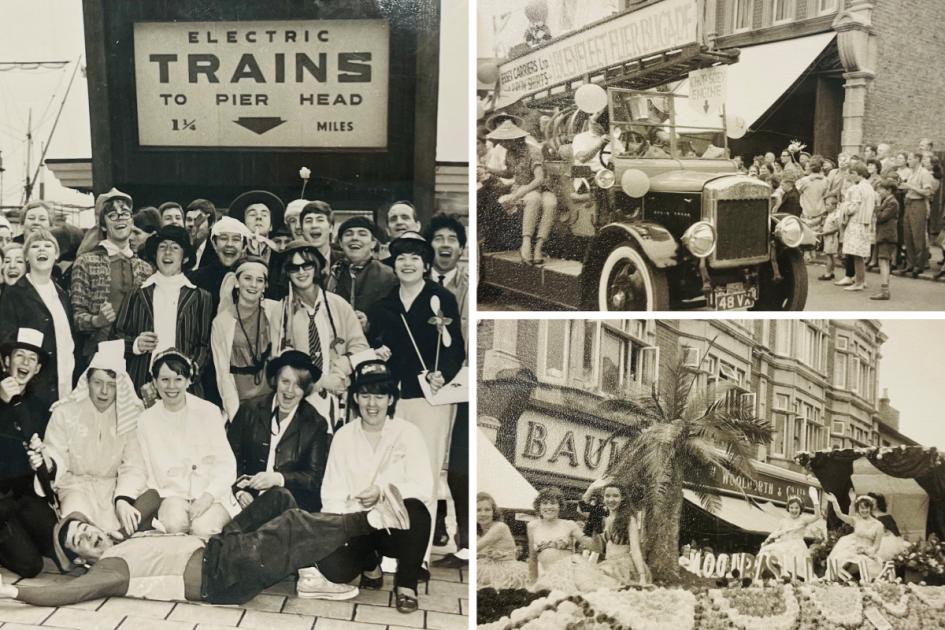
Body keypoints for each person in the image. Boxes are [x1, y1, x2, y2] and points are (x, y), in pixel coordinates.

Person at [0, 483, 411, 607]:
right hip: (218, 577)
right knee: (291, 524)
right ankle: (371, 520)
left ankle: (307, 574)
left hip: (219, 547)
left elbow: (151, 494)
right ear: (81, 559)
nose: (87, 536)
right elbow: (67, 592)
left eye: (84, 529)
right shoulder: (109, 568)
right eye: (79, 543)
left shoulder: (129, 538)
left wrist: (125, 505)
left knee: (278, 499)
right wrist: (10, 590)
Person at [367, 232, 464, 562]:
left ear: (425, 265)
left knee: (426, 471)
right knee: (389, 469)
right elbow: (375, 345)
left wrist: (444, 374)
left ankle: (417, 555)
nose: (407, 264)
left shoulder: (442, 299)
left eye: (414, 258)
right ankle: (389, 550)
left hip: (431, 399)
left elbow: (456, 350)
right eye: (400, 258)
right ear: (394, 265)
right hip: (394, 398)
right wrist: (378, 353)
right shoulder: (384, 305)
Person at [316, 361, 433, 611]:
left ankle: (406, 586)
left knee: (418, 511)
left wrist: (381, 491)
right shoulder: (343, 436)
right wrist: (339, 533)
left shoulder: (408, 433)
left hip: (393, 526)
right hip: (357, 525)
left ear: (391, 399)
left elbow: (423, 486)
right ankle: (370, 565)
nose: (372, 404)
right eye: (365, 395)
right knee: (333, 570)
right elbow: (331, 494)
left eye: (380, 396)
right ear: (355, 397)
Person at [27, 340, 147, 535]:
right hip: (75, 486)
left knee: (120, 535)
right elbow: (55, 451)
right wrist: (48, 463)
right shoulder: (65, 412)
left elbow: (134, 464)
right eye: (98, 382)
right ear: (87, 382)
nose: (104, 391)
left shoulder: (130, 417)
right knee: (80, 533)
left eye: (111, 384)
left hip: (112, 491)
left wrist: (123, 499)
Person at [136, 349, 237, 536]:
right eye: (165, 380)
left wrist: (208, 496)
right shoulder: (146, 420)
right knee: (174, 525)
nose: (171, 386)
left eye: (178, 379)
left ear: (189, 380)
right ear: (155, 381)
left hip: (212, 495)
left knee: (202, 529)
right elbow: (147, 470)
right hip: (172, 496)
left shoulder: (208, 412)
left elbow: (226, 464)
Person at [279, 240, 369, 426]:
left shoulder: (338, 305)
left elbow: (361, 347)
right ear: (287, 272)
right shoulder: (282, 311)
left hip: (338, 395)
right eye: (294, 268)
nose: (301, 272)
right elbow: (281, 356)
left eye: (307, 265)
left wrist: (343, 367)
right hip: (301, 397)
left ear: (316, 267)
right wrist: (320, 382)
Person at [226, 350, 329, 513]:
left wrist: (278, 479)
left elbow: (313, 479)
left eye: (298, 385)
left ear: (306, 389)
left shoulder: (316, 424)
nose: (290, 390)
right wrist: (239, 491)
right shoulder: (249, 410)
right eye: (285, 381)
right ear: (275, 380)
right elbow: (228, 457)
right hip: (245, 501)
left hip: (290, 508)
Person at [115, 225, 213, 396]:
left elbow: (204, 345)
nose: (167, 252)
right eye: (162, 247)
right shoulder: (136, 293)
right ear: (155, 254)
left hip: (184, 387)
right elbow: (117, 336)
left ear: (184, 258)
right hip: (142, 384)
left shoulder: (201, 297)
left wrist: (192, 368)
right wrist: (136, 344)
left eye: (175, 248)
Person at [424, 214, 469, 566]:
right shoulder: (415, 285)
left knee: (459, 468)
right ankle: (427, 533)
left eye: (451, 239)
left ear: (460, 247)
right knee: (426, 462)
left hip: (462, 386)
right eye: (437, 238)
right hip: (425, 387)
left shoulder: (470, 285)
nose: (444, 245)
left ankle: (465, 544)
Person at [70, 189, 154, 369]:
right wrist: (96, 321)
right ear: (102, 225)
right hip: (100, 353)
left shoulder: (146, 268)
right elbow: (76, 318)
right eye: (112, 215)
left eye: (124, 214)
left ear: (131, 221)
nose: (120, 219)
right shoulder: (85, 262)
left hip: (138, 355)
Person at [0, 328, 58, 577]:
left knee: (54, 544)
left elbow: (43, 450)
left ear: (37, 369)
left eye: (32, 359)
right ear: (5, 362)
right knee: (30, 566)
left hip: (23, 494)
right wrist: (3, 403)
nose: (25, 362)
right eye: (19, 355)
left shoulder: (39, 406)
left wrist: (44, 461)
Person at [0, 228, 75, 409]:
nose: (42, 249)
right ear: (26, 257)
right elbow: (5, 343)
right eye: (35, 246)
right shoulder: (14, 294)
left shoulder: (62, 295)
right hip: (32, 393)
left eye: (48, 245)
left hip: (64, 386)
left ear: (56, 254)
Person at [210, 257, 283, 419]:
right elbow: (222, 372)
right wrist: (235, 414)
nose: (253, 285)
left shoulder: (275, 310)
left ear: (265, 286)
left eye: (259, 280)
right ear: (237, 282)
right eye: (247, 278)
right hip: (240, 399)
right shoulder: (222, 321)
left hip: (273, 398)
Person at [486, 119, 557, 265]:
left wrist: (521, 192)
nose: (502, 144)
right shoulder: (510, 154)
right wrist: (489, 170)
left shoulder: (533, 152)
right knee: (534, 199)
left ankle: (538, 247)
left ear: (514, 139)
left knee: (551, 203)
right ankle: (526, 243)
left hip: (539, 187)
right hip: (526, 189)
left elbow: (539, 178)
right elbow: (510, 173)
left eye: (504, 141)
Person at [527, 486, 615, 593]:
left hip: (571, 572)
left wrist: (596, 528)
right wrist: (532, 583)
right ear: (539, 506)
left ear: (559, 506)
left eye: (553, 503)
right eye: (545, 503)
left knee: (588, 593)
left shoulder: (569, 525)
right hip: (549, 578)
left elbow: (594, 547)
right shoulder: (532, 526)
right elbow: (533, 559)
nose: (549, 507)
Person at [326, 216, 397, 326]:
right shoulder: (333, 274)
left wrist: (369, 325)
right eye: (348, 234)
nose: (355, 238)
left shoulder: (388, 276)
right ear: (340, 243)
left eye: (362, 234)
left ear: (373, 243)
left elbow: (393, 319)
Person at [584, 478, 650, 586]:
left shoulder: (629, 520)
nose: (611, 500)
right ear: (603, 498)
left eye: (615, 496)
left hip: (623, 565)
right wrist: (591, 488)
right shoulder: (602, 517)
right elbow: (580, 509)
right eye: (607, 496)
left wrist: (642, 576)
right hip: (608, 564)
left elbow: (635, 549)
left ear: (622, 498)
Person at [757, 496, 821, 578]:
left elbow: (817, 516)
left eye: (796, 508)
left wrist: (815, 500)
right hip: (784, 545)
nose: (794, 510)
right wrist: (766, 541)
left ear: (800, 508)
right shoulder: (783, 521)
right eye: (791, 507)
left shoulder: (803, 520)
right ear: (788, 508)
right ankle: (776, 575)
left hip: (797, 547)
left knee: (798, 572)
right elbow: (775, 533)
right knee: (768, 552)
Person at [825, 493, 885, 581]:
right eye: (862, 508)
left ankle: (851, 581)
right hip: (854, 549)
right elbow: (839, 514)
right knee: (839, 561)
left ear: (871, 508)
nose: (864, 511)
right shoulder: (856, 520)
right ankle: (841, 581)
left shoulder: (878, 525)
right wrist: (834, 502)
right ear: (858, 509)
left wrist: (867, 551)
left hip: (868, 553)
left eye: (866, 508)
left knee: (861, 564)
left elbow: (876, 546)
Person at [476, 492, 529, 589]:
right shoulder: (478, 529)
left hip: (505, 569)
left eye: (487, 510)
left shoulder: (500, 527)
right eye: (478, 510)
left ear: (493, 512)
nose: (483, 514)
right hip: (488, 565)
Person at [838, 162, 874, 291]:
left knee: (857, 254)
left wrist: (843, 207)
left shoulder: (859, 188)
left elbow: (853, 207)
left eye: (851, 174)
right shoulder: (868, 187)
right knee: (858, 254)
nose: (850, 176)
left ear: (856, 174)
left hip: (857, 222)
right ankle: (861, 280)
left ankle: (859, 282)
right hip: (864, 223)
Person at [900, 151, 935, 277]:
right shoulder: (911, 173)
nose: (908, 161)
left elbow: (927, 192)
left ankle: (918, 265)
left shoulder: (924, 173)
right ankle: (910, 263)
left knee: (917, 235)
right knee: (908, 235)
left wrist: (910, 186)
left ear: (917, 159)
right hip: (909, 203)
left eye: (910, 158)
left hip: (918, 204)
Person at [228, 190, 285, 263]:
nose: (259, 217)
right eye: (252, 214)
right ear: (243, 224)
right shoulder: (233, 254)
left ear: (271, 226)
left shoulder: (281, 257)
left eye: (264, 215)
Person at [299, 201, 341, 285]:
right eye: (308, 221)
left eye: (320, 220)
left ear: (331, 228)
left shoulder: (344, 261)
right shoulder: (294, 261)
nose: (314, 225)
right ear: (302, 230)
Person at [871, 178, 900, 300]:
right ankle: (884, 289)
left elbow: (881, 217)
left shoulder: (892, 202)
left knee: (883, 262)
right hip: (884, 235)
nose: (879, 192)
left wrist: (877, 206)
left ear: (888, 190)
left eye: (881, 189)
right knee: (883, 261)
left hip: (886, 236)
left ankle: (885, 290)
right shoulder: (889, 201)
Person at [185, 198, 217, 270]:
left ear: (211, 224)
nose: (193, 224)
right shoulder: (181, 248)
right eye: (189, 219)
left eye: (199, 220)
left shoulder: (216, 252)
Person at [818, 194, 842, 281]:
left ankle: (828, 273)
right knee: (831, 256)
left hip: (831, 238)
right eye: (826, 204)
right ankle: (831, 272)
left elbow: (837, 228)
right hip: (828, 237)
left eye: (828, 205)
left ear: (834, 205)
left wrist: (826, 232)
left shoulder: (836, 215)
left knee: (829, 255)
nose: (826, 207)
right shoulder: (831, 214)